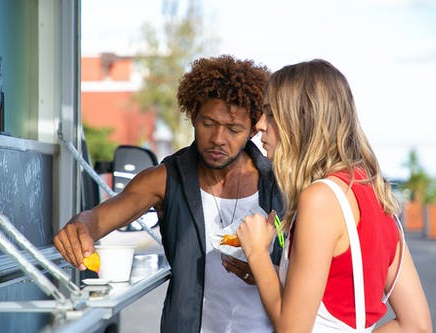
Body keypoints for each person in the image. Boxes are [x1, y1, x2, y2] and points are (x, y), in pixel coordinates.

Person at [53, 55, 283, 333]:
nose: (218, 138)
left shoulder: (280, 182)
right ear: (193, 114)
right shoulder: (164, 179)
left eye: (234, 129)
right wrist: (80, 227)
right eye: (208, 123)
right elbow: (99, 219)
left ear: (252, 131)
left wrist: (264, 272)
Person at [236, 59, 432, 332]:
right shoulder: (373, 190)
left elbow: (292, 329)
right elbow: (417, 326)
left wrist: (257, 253)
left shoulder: (320, 200)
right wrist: (264, 274)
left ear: (302, 120)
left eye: (270, 113)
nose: (258, 125)